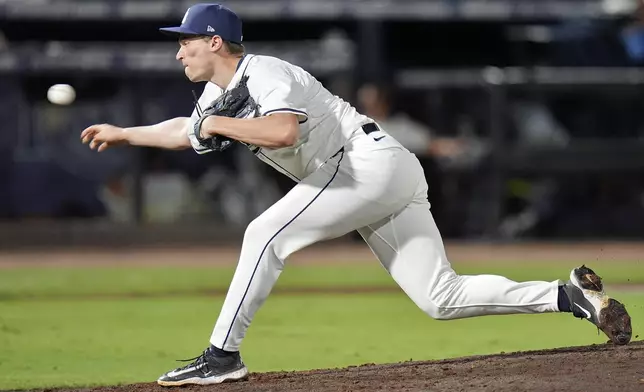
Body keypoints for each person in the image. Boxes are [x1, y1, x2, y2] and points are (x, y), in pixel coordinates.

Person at [80, 3, 632, 387]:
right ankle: (569, 298)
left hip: (363, 165)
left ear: (215, 41)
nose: (179, 52)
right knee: (440, 297)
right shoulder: (217, 93)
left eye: (185, 41)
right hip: (378, 173)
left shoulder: (265, 72)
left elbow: (282, 133)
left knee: (263, 233)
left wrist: (218, 128)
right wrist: (128, 133)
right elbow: (188, 129)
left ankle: (221, 357)